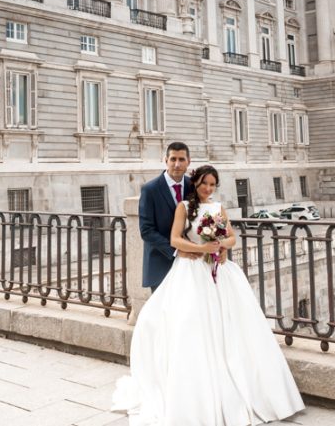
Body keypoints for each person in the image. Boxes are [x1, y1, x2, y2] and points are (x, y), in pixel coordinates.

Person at [114, 165, 305, 425]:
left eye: (213, 184)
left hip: (218, 272)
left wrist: (220, 246)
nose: (208, 188)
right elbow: (174, 239)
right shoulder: (183, 207)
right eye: (204, 183)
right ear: (196, 183)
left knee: (230, 326)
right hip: (191, 270)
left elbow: (231, 237)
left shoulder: (218, 208)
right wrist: (200, 248)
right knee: (192, 324)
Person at [139, 142, 193, 291]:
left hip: (190, 266)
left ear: (189, 161)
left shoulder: (193, 186)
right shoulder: (150, 189)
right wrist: (176, 251)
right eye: (173, 159)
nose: (177, 164)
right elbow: (146, 231)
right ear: (166, 160)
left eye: (181, 159)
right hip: (160, 265)